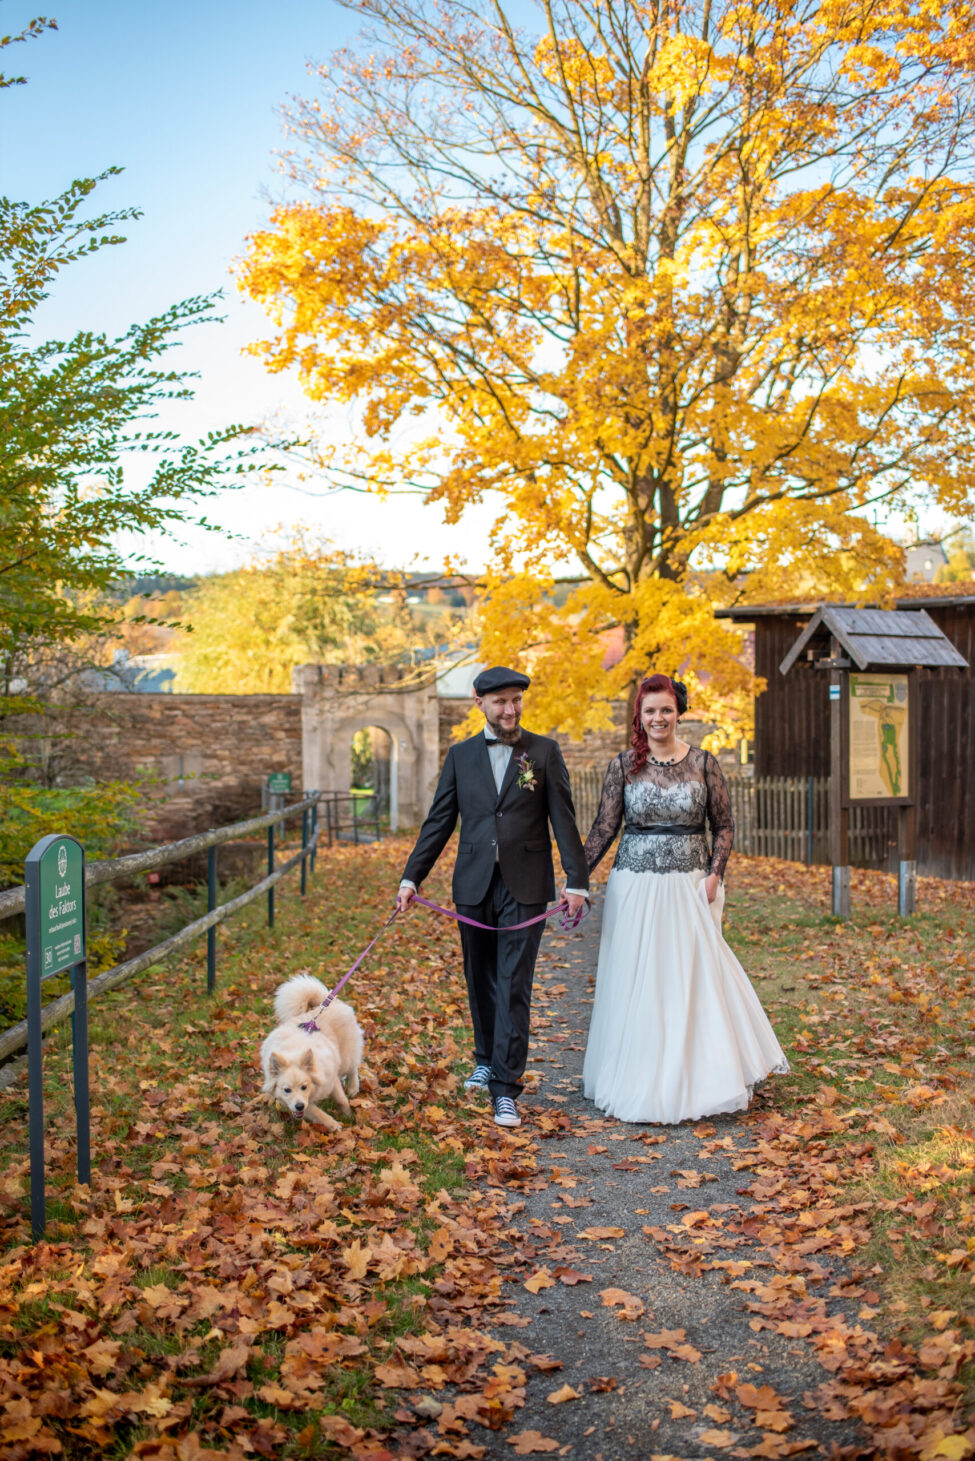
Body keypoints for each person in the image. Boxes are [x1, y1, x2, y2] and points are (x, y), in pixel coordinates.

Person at [581, 673, 788, 1124]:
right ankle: (637, 1076)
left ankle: (702, 1077)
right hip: (634, 886)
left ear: (679, 713)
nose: (658, 718)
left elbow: (725, 825)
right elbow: (603, 828)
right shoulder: (622, 766)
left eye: (666, 710)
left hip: (690, 884)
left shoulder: (704, 763)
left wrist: (715, 874)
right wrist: (575, 878)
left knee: (691, 977)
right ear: (640, 715)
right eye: (650, 710)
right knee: (639, 979)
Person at [397, 667, 589, 1129]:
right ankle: (485, 1058)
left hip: (526, 883)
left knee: (514, 984)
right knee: (478, 977)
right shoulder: (461, 755)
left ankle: (506, 1088)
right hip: (473, 883)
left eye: (516, 700)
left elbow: (563, 818)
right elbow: (439, 820)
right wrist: (411, 878)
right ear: (479, 703)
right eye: (501, 701)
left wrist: (576, 880)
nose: (511, 709)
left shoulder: (543, 752)